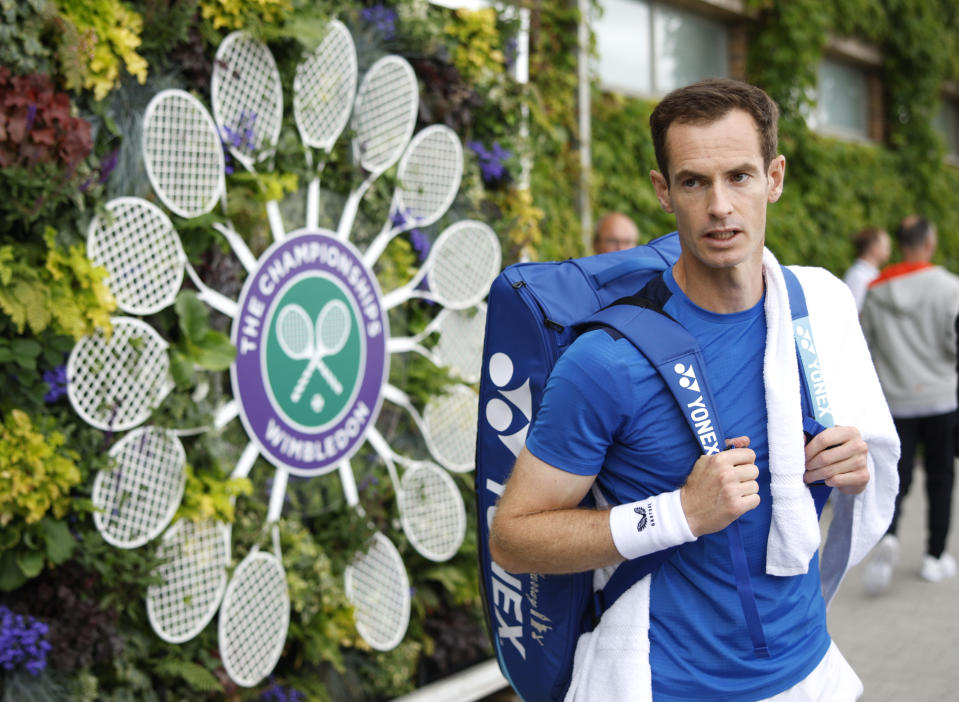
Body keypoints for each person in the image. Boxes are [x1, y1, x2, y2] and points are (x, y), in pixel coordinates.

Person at [489, 79, 899, 702]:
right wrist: (676, 514)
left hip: (810, 671)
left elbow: (861, 458)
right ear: (663, 191)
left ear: (775, 178)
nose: (719, 207)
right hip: (663, 684)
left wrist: (855, 462)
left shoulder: (819, 306)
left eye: (739, 176)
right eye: (693, 182)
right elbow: (514, 538)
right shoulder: (606, 360)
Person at [859, 215, 959, 593]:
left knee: (895, 478)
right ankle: (934, 558)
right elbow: (954, 344)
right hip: (940, 398)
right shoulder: (950, 288)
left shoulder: (877, 290)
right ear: (929, 242)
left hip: (896, 400)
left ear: (900, 245)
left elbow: (866, 347)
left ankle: (890, 536)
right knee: (941, 477)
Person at [842, 227, 891, 311]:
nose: (889, 250)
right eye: (885, 246)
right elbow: (855, 310)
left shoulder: (871, 274)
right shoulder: (858, 276)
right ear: (873, 247)